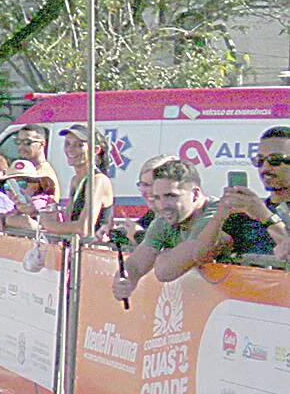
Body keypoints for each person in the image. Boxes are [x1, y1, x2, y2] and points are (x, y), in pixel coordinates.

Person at [154, 125, 290, 281]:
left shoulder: (258, 211)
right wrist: (220, 216)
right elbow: (201, 254)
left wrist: (265, 216)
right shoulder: (246, 213)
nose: (265, 168)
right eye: (259, 161)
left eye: (276, 160)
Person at [113, 159, 204, 306]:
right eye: (157, 197)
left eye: (171, 196)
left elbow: (164, 271)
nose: (162, 206)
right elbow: (136, 264)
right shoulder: (163, 222)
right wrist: (125, 279)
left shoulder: (212, 215)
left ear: (194, 194)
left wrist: (163, 257)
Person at [51, 125, 116, 241]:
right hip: (76, 251)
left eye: (79, 145)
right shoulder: (75, 180)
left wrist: (49, 225)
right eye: (67, 144)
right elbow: (69, 220)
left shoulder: (98, 180)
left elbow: (84, 228)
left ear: (96, 150)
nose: (70, 150)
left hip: (95, 253)